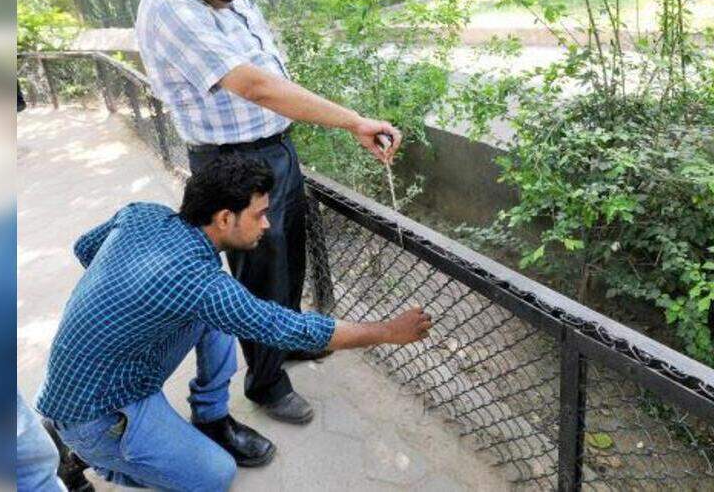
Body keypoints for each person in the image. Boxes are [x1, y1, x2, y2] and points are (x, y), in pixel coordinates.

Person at [135, 0, 402, 427]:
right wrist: (352, 122)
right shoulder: (172, 6)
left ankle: (288, 339)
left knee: (288, 255)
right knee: (258, 274)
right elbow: (255, 85)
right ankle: (265, 382)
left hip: (271, 145)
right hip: (232, 159)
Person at [35, 156, 431, 488]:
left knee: (214, 318)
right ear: (225, 217)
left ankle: (211, 418)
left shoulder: (144, 214)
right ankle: (74, 454)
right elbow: (289, 328)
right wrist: (387, 332)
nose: (266, 225)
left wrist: (126, 305)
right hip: (99, 413)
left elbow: (84, 248)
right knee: (215, 477)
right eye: (259, 215)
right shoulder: (201, 284)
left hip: (103, 373)